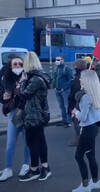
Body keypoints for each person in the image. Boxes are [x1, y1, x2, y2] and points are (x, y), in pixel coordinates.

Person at [19, 52, 52, 182]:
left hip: (34, 115)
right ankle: (44, 167)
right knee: (40, 140)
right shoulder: (39, 76)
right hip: (39, 113)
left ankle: (35, 169)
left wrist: (22, 81)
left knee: (32, 142)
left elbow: (24, 94)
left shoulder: (34, 79)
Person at [71, 70, 100, 192]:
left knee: (78, 156)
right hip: (94, 128)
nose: (80, 80)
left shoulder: (85, 96)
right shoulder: (96, 93)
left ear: (86, 81)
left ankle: (85, 186)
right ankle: (95, 181)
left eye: (81, 78)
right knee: (90, 155)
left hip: (86, 129)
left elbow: (82, 117)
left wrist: (76, 112)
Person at [0, 57, 30, 182]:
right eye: (15, 64)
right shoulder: (6, 79)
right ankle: (8, 169)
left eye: (20, 64)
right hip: (13, 114)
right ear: (10, 66)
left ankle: (26, 165)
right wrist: (4, 97)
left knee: (27, 142)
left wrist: (22, 84)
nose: (18, 66)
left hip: (27, 113)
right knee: (10, 142)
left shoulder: (27, 78)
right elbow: (2, 95)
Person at [68, 59, 88, 147]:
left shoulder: (78, 78)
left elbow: (75, 92)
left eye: (75, 65)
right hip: (80, 101)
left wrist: (71, 101)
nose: (74, 67)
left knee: (77, 121)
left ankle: (80, 139)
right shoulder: (86, 75)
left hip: (76, 103)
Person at [53, 56, 73, 128]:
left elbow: (71, 79)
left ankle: (69, 121)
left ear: (63, 60)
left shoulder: (66, 69)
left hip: (65, 91)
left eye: (58, 60)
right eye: (56, 60)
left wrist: (64, 88)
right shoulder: (57, 69)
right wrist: (54, 86)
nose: (56, 61)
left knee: (67, 106)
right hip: (57, 90)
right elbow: (55, 78)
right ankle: (64, 121)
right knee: (61, 106)